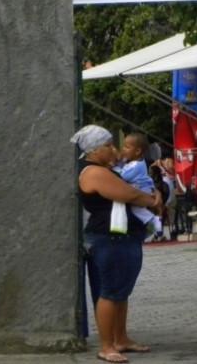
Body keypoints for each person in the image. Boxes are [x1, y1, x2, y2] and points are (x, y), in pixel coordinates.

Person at [71, 125, 162, 363]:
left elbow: (133, 190)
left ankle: (121, 338)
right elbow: (127, 194)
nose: (114, 150)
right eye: (108, 145)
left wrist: (150, 196)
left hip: (123, 236)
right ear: (93, 150)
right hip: (109, 238)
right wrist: (151, 199)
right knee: (110, 292)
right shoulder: (92, 171)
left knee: (121, 291)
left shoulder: (106, 168)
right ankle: (106, 345)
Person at [116, 133, 163, 240]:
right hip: (142, 188)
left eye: (127, 147)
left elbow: (123, 176)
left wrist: (115, 168)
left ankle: (154, 222)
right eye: (123, 146)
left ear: (137, 151)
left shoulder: (136, 165)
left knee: (136, 209)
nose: (123, 149)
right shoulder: (133, 163)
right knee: (135, 210)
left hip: (141, 189)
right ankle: (154, 225)